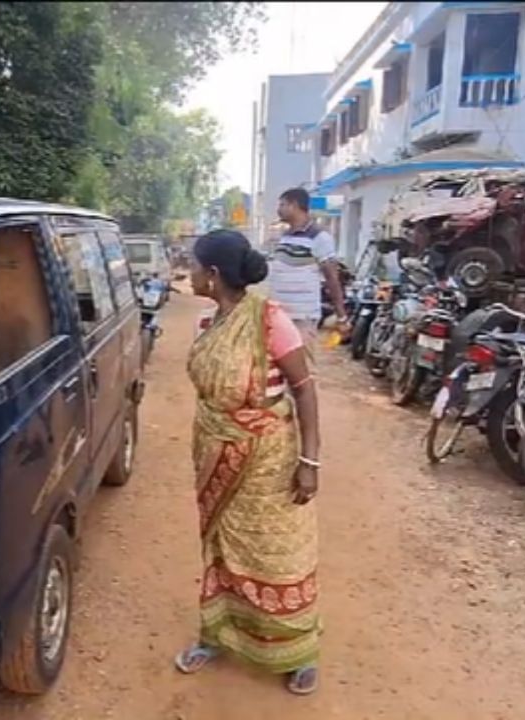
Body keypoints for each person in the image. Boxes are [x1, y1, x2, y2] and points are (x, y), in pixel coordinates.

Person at [174, 229, 322, 695]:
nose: (188, 273)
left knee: (278, 554)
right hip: (216, 454)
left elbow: (304, 388)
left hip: (268, 461)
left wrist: (309, 461)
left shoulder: (270, 321)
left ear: (213, 275)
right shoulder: (207, 323)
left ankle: (298, 650)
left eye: (194, 266)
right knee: (222, 548)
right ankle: (216, 635)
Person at [268, 188, 349, 349]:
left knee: (298, 366)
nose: (279, 209)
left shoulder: (320, 238)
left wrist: (341, 316)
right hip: (279, 313)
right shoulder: (286, 236)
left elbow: (332, 278)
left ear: (294, 205)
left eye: (282, 204)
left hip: (302, 315)